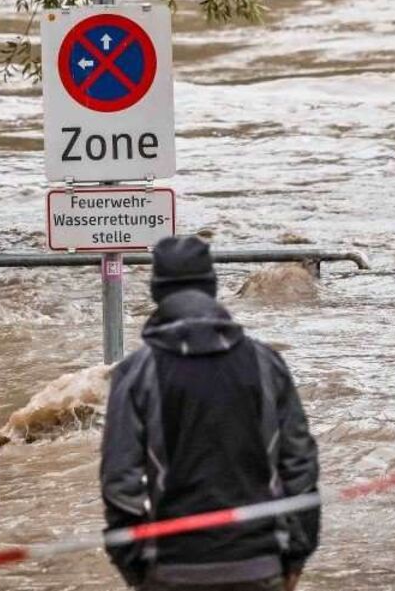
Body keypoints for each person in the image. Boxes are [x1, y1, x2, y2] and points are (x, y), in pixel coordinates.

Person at [101, 236, 320, 591]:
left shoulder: (136, 373)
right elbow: (301, 469)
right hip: (260, 566)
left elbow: (119, 485)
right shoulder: (266, 364)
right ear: (213, 288)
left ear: (157, 293)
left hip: (171, 570)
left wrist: (137, 569)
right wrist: (295, 556)